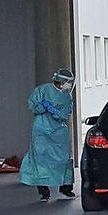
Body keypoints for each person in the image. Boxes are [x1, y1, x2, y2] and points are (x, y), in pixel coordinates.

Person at [20, 68, 76, 203]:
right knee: (41, 160)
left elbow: (64, 115)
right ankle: (44, 192)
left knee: (63, 159)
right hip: (41, 131)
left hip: (58, 132)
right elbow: (33, 107)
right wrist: (43, 106)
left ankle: (65, 187)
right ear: (61, 81)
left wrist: (52, 109)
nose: (69, 85)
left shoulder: (66, 96)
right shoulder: (42, 90)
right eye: (68, 82)